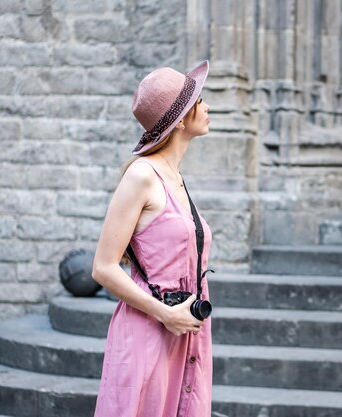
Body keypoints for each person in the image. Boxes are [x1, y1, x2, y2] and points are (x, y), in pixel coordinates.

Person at [92, 60, 213, 417]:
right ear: (180, 120)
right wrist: (166, 314)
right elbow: (103, 267)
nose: (207, 107)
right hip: (150, 329)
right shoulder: (143, 176)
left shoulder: (175, 176)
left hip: (185, 332)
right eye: (200, 101)